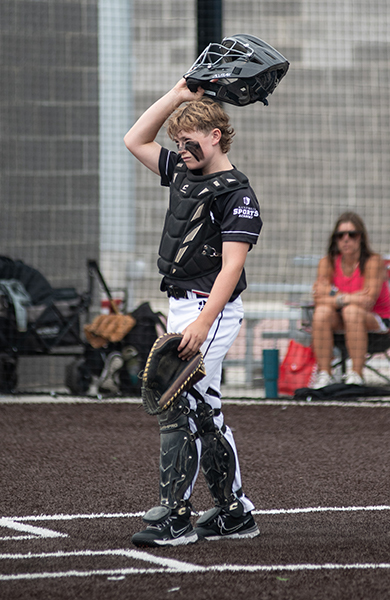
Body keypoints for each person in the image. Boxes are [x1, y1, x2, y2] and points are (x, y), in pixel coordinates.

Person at [123, 78, 262, 547]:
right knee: (205, 409)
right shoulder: (184, 173)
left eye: (189, 142)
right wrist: (179, 95)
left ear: (216, 136)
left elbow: (231, 267)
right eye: (178, 144)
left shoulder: (236, 193)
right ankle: (234, 511)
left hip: (212, 308)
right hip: (181, 304)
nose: (180, 150)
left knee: (177, 402)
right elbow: (134, 139)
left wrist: (204, 324)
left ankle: (175, 517)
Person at [312, 211, 390, 389]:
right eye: (341, 236)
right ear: (335, 239)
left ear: (361, 238)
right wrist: (347, 298)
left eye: (352, 235)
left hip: (378, 324)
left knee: (352, 311)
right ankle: (325, 374)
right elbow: (318, 298)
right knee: (321, 312)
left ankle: (356, 375)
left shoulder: (374, 261)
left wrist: (332, 294)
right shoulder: (327, 262)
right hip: (343, 320)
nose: (346, 239)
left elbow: (367, 300)